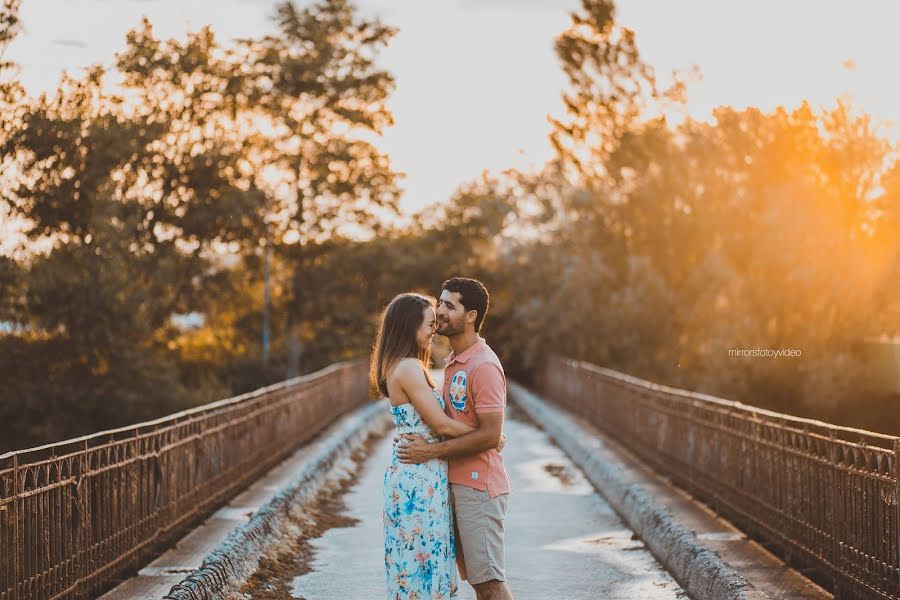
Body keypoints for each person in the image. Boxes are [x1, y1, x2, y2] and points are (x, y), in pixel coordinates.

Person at [397, 278, 515, 600]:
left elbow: (490, 435)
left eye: (450, 305)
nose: (440, 312)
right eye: (440, 303)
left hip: (478, 486)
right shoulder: (453, 363)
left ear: (471, 315)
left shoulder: (484, 365)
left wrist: (431, 451)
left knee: (489, 583)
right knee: (477, 581)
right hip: (455, 484)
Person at [371, 292, 475, 599]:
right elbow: (440, 425)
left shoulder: (404, 366)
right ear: (408, 327)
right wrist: (486, 435)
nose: (435, 330)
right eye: (429, 324)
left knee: (419, 565)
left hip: (422, 476)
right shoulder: (408, 368)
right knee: (419, 568)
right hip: (417, 482)